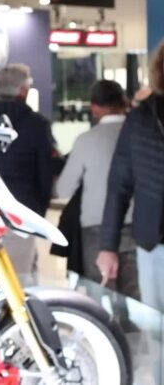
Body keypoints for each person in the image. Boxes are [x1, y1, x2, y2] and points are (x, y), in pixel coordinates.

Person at [55, 80, 138, 298]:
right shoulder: (140, 136)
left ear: (94, 108)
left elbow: (63, 189)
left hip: (96, 228)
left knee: (100, 297)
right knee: (138, 299)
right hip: (138, 226)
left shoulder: (86, 140)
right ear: (125, 103)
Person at [98, 42, 164, 311]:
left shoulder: (139, 118)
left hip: (152, 243)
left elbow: (119, 186)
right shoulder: (140, 119)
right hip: (153, 244)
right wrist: (108, 246)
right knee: (157, 325)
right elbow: (119, 186)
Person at [0, 64, 53, 280]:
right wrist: (39, 213)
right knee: (20, 279)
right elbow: (44, 174)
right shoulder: (36, 124)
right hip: (22, 212)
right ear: (23, 90)